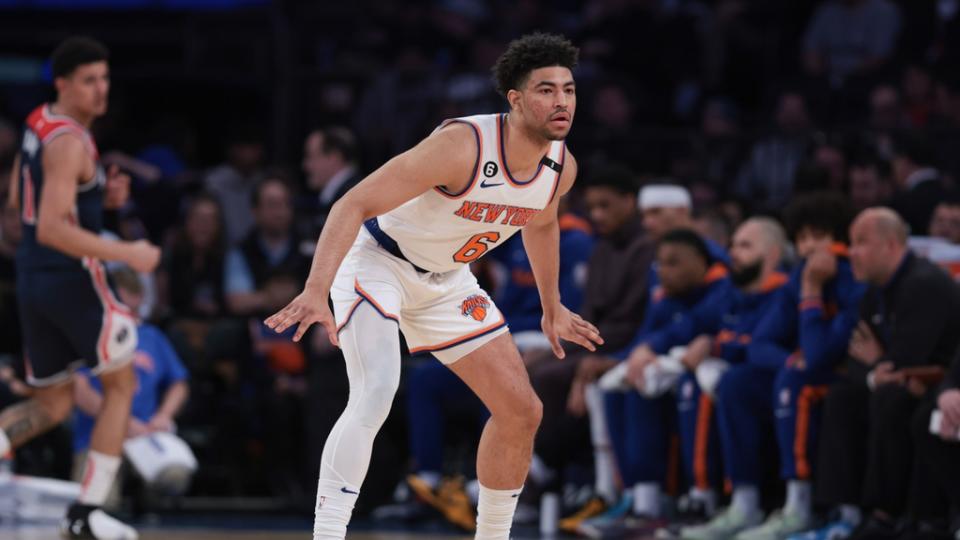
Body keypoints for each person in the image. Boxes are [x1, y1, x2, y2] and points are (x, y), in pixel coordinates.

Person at [266, 33, 602, 540]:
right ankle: (328, 534)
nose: (561, 102)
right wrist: (316, 289)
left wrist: (551, 305)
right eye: (546, 90)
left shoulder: (562, 167)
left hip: (447, 282)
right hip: (378, 260)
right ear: (515, 100)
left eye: (569, 90)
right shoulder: (461, 146)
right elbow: (350, 204)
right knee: (377, 390)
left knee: (521, 410)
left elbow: (541, 223)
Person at [0, 36, 160, 539]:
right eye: (88, 81)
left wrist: (98, 200)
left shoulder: (37, 123)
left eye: (105, 79)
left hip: (31, 279)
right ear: (63, 84)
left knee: (55, 404)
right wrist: (129, 253)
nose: (100, 90)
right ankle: (86, 515)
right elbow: (51, 227)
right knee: (121, 384)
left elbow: (15, 202)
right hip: (73, 281)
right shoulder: (70, 142)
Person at [689, 192, 865, 540]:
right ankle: (745, 503)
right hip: (805, 372)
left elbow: (819, 356)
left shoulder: (852, 281)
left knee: (793, 382)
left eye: (819, 237)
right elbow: (760, 344)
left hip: (846, 377)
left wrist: (812, 292)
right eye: (802, 238)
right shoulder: (797, 278)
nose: (809, 247)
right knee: (736, 383)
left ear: (840, 240)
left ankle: (799, 508)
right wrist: (790, 359)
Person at [805, 208, 960, 540]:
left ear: (891, 245)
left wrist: (878, 367)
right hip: (912, 384)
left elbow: (907, 360)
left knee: (897, 403)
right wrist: (876, 371)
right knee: (843, 397)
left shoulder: (925, 284)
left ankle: (893, 515)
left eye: (861, 242)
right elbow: (858, 356)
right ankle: (843, 512)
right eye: (850, 242)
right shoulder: (873, 292)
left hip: (933, 384)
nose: (850, 252)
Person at [71, 267, 189, 508]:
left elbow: (179, 382)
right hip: (99, 436)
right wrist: (122, 423)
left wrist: (163, 416)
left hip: (146, 434)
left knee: (175, 476)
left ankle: (147, 503)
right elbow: (79, 390)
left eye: (132, 301)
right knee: (96, 504)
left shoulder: (151, 336)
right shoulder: (90, 335)